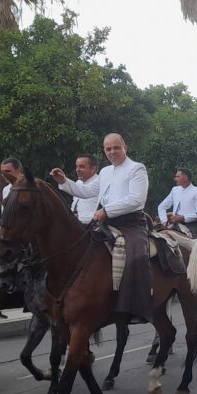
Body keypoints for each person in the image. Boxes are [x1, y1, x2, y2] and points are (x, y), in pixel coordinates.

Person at [51, 133, 151, 322]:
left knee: (135, 256)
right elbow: (87, 191)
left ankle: (135, 306)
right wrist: (63, 181)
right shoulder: (105, 172)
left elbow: (136, 199)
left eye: (116, 147)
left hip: (130, 224)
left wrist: (107, 210)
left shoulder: (137, 169)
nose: (112, 152)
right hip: (104, 222)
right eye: (108, 149)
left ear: (125, 147)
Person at [156, 168, 197, 237]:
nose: (175, 179)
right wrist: (164, 221)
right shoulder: (175, 190)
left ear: (185, 177)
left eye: (177, 177)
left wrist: (183, 218)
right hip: (174, 226)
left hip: (191, 226)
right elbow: (161, 207)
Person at [64, 154, 100, 225]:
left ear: (93, 169)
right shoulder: (78, 182)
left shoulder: (100, 182)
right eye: (77, 166)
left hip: (93, 227)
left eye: (82, 167)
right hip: (75, 224)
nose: (77, 170)